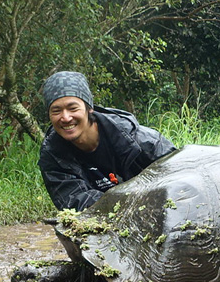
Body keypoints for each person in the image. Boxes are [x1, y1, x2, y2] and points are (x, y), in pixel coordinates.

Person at [38, 71, 176, 211]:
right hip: (106, 220)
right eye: (56, 111)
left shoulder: (142, 140)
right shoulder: (52, 156)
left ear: (89, 108)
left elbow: (179, 180)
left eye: (73, 108)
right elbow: (75, 203)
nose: (66, 117)